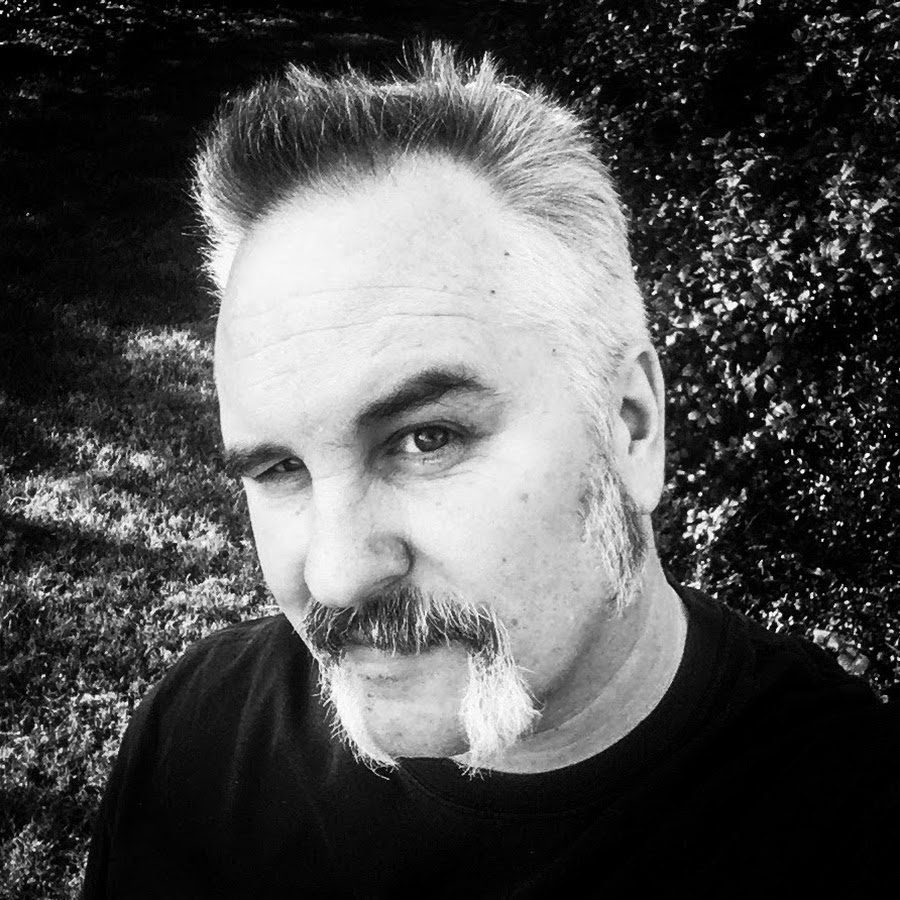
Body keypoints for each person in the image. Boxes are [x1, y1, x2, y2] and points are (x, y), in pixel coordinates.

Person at [83, 44, 898, 897]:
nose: (337, 575)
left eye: (426, 439)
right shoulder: (201, 740)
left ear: (630, 427)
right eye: (282, 467)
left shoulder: (855, 825)